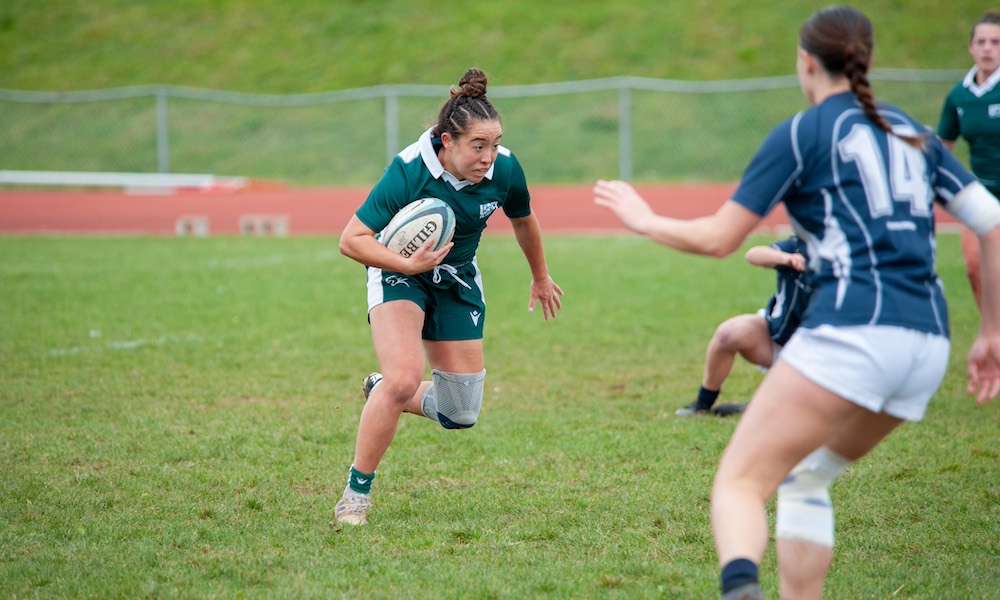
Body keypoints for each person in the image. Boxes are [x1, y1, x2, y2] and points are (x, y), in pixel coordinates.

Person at [593, 6, 1000, 599]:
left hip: (854, 329)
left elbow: (718, 240)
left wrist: (643, 218)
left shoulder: (805, 131)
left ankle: (740, 589)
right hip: (928, 343)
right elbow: (990, 221)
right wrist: (990, 332)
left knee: (738, 482)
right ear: (867, 59)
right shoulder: (913, 129)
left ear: (806, 61)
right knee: (806, 476)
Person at [336, 68, 564, 526]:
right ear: (447, 142)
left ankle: (381, 392)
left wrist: (540, 276)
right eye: (478, 146)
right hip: (399, 273)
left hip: (457, 278)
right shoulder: (409, 170)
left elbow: (523, 218)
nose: (489, 156)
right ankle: (355, 496)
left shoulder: (506, 169)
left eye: (495, 144)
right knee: (404, 378)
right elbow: (352, 239)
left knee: (460, 413)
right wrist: (406, 264)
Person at [677, 237, 809, 418]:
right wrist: (786, 259)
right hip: (779, 336)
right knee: (729, 333)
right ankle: (703, 403)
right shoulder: (800, 244)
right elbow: (754, 255)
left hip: (823, 352)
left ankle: (763, 404)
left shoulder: (853, 255)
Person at [937, 11, 1000, 311]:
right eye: (982, 41)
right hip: (982, 195)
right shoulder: (959, 96)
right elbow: (941, 149)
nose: (988, 48)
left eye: (996, 42)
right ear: (971, 48)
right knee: (976, 269)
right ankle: (993, 337)